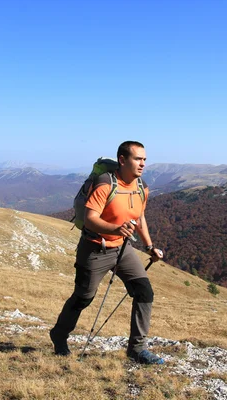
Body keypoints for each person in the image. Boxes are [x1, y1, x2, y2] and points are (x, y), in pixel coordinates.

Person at [50, 140, 165, 364]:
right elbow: (91, 218)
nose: (142, 164)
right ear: (122, 160)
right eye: (137, 159)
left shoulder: (142, 187)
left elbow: (139, 218)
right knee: (83, 297)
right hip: (94, 248)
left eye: (144, 159)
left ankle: (137, 349)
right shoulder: (105, 184)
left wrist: (150, 247)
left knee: (144, 291)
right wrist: (115, 228)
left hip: (123, 248)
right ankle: (59, 334)